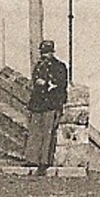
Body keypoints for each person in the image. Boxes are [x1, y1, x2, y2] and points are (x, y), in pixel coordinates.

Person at [25, 40, 70, 175]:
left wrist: (46, 84)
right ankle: (32, 159)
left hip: (51, 103)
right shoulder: (39, 66)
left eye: (47, 52)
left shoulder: (59, 67)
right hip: (38, 103)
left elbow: (61, 85)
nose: (45, 55)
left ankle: (44, 161)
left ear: (52, 52)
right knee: (35, 131)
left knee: (48, 132)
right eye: (43, 53)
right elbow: (34, 81)